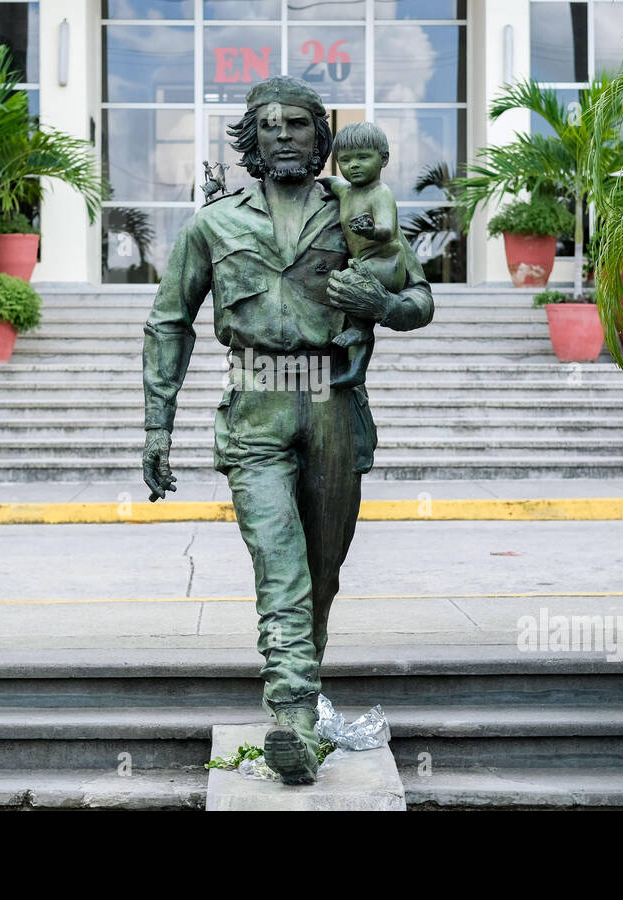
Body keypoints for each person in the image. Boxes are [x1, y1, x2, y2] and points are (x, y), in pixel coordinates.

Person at [141, 75, 434, 784]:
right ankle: (293, 717)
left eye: (298, 124)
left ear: (320, 137)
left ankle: (305, 693)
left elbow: (419, 299)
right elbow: (168, 321)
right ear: (250, 139)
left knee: (322, 574)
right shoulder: (214, 225)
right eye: (268, 126)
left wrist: (382, 303)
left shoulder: (360, 212)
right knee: (282, 566)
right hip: (257, 406)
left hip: (334, 402)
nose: (283, 135)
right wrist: (158, 424)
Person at [324, 121, 407, 389]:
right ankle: (356, 371)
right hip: (365, 264)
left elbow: (387, 231)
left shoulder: (379, 193)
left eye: (363, 157)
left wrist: (372, 230)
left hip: (387, 263)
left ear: (383, 159)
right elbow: (328, 182)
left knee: (348, 287)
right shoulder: (344, 190)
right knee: (349, 297)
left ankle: (360, 331)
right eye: (345, 160)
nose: (353, 165)